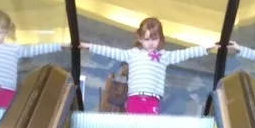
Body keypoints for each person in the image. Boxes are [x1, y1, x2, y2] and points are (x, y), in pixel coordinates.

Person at [83, 17, 217, 116]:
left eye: (154, 39)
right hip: (134, 98)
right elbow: (111, 52)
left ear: (160, 39)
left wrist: (206, 48)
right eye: (147, 39)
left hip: (152, 99)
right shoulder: (132, 54)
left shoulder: (164, 56)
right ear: (140, 39)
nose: (151, 43)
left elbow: (185, 53)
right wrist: (90, 47)